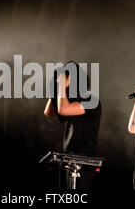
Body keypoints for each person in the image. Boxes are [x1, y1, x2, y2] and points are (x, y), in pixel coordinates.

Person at [44, 61, 102, 189]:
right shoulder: (70, 101)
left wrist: (61, 87)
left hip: (84, 160)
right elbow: (49, 112)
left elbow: (63, 110)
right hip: (70, 158)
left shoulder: (91, 100)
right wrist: (55, 88)